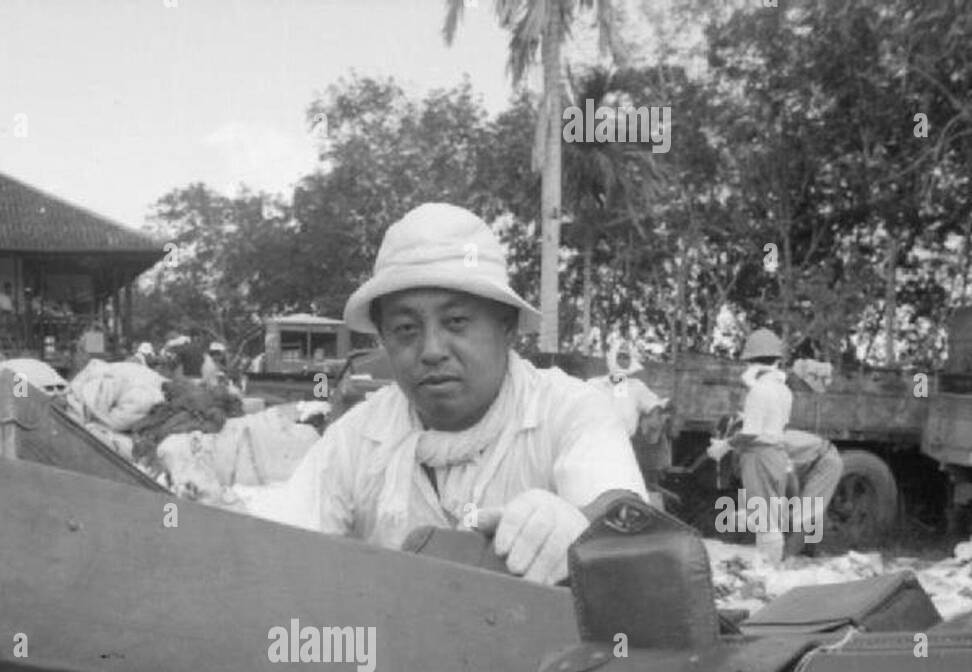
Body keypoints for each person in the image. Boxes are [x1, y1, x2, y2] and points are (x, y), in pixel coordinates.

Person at [277, 203, 646, 584]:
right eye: (405, 328)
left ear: (506, 326)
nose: (432, 349)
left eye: (456, 322)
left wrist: (580, 526)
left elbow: (625, 511)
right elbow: (279, 547)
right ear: (384, 338)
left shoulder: (568, 411)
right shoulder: (356, 439)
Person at [711, 328, 842, 562]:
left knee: (800, 517)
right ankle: (791, 557)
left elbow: (753, 434)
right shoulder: (781, 394)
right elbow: (787, 481)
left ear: (750, 362)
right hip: (796, 460)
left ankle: (783, 563)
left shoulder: (761, 402)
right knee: (779, 517)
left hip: (823, 462)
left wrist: (725, 445)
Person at [591, 340, 670, 495]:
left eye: (626, 357)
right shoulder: (595, 385)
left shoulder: (636, 387)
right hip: (598, 445)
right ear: (612, 357)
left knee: (624, 486)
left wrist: (658, 413)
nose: (622, 361)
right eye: (619, 356)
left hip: (626, 445)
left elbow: (654, 404)